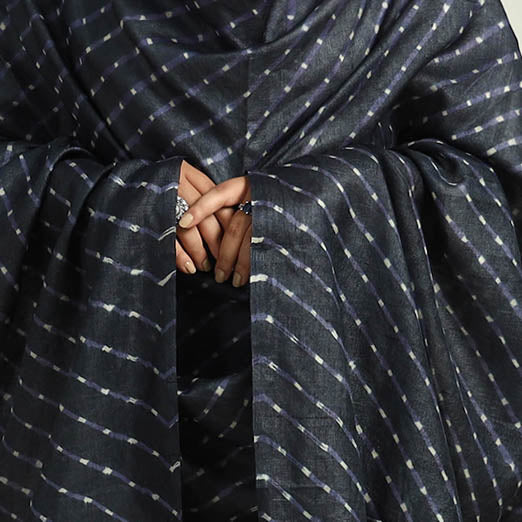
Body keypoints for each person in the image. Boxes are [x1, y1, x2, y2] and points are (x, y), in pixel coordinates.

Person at [0, 0, 521, 520]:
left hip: (356, 411)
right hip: (107, 406)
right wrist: (127, 204)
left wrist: (310, 207)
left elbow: (495, 192)